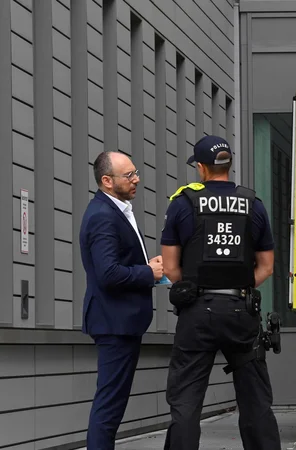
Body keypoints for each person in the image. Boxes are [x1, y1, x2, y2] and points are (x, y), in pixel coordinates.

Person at [159, 135, 280, 449]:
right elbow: (266, 266)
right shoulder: (253, 204)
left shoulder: (183, 203)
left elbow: (171, 269)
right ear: (229, 164)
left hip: (196, 312)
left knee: (186, 403)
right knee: (255, 401)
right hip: (242, 312)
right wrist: (238, 287)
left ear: (201, 168)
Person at [80, 151, 163, 449]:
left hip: (120, 322)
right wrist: (147, 272)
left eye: (135, 172)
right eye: (128, 175)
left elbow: (117, 263)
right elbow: (108, 274)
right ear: (106, 180)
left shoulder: (115, 210)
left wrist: (145, 265)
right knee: (109, 406)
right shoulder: (103, 215)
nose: (136, 179)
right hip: (114, 323)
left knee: (112, 403)